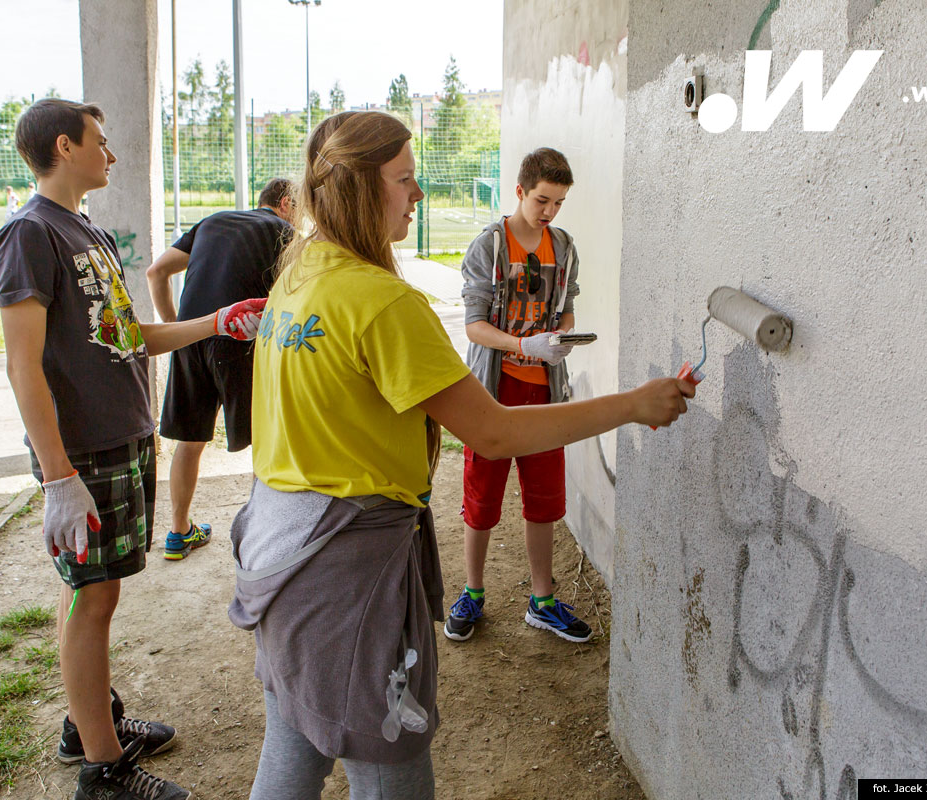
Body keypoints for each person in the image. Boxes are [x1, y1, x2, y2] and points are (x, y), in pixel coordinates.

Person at [229, 110, 693, 800]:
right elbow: (495, 433)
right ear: (359, 189)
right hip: (343, 570)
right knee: (390, 767)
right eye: (405, 180)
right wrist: (632, 404)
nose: (418, 194)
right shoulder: (382, 301)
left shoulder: (301, 274)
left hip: (279, 548)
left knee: (295, 742)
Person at [0, 98, 267, 800]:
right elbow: (23, 366)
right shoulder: (29, 234)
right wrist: (58, 477)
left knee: (86, 592)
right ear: (65, 145)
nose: (110, 155)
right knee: (95, 597)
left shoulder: (84, 230)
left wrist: (213, 322)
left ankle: (88, 724)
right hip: (81, 453)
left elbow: (126, 335)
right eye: (100, 143)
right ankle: (104, 771)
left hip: (121, 437)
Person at [446, 147, 591, 643]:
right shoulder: (488, 247)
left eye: (558, 202)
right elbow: (475, 327)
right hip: (493, 392)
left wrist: (561, 338)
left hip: (546, 394)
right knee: (481, 496)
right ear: (520, 192)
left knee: (545, 499)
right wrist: (521, 344)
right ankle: (472, 592)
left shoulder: (565, 247)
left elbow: (567, 306)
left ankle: (542, 599)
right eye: (542, 200)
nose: (549, 211)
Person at [146, 177, 295, 560]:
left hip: (193, 335)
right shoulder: (284, 231)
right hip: (240, 341)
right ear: (286, 202)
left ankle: (178, 532)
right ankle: (267, 535)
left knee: (190, 439)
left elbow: (156, 273)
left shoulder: (212, 221)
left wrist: (177, 327)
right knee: (265, 439)